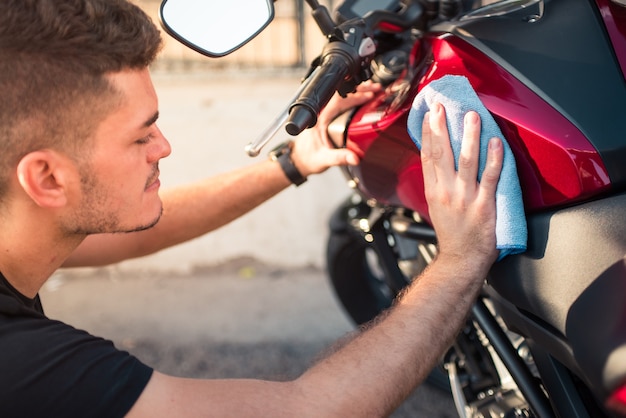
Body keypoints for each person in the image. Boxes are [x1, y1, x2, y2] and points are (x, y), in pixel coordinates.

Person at [0, 0, 504, 416]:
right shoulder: (27, 365)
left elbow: (138, 233)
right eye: (140, 136)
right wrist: (461, 259)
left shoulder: (20, 224)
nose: (164, 146)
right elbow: (309, 410)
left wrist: (292, 164)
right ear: (46, 178)